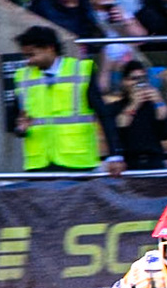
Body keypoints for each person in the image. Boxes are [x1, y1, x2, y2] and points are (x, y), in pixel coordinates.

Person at [9, 25, 123, 176]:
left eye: (31, 55)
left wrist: (114, 154)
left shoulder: (81, 71)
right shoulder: (22, 77)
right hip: (39, 165)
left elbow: (103, 114)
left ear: (50, 48)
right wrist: (19, 129)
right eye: (26, 56)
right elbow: (15, 119)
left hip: (77, 162)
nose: (28, 61)